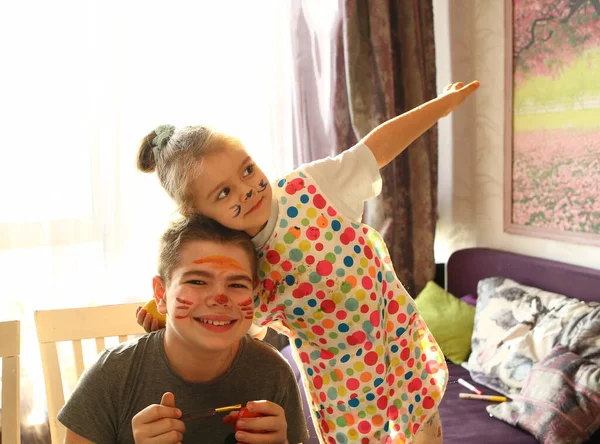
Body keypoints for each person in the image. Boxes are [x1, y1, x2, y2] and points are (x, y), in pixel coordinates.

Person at [136, 80, 480, 443]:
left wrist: (440, 106)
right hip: (343, 383)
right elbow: (221, 322)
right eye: (224, 193)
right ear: (202, 216)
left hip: (397, 337)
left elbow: (376, 149)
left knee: (424, 428)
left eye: (248, 169)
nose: (248, 189)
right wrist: (167, 314)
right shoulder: (239, 265)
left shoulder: (312, 187)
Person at [58, 216, 309, 444]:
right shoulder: (111, 376)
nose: (219, 297)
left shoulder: (273, 373)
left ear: (254, 294)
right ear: (161, 295)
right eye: (197, 281)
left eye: (236, 283)